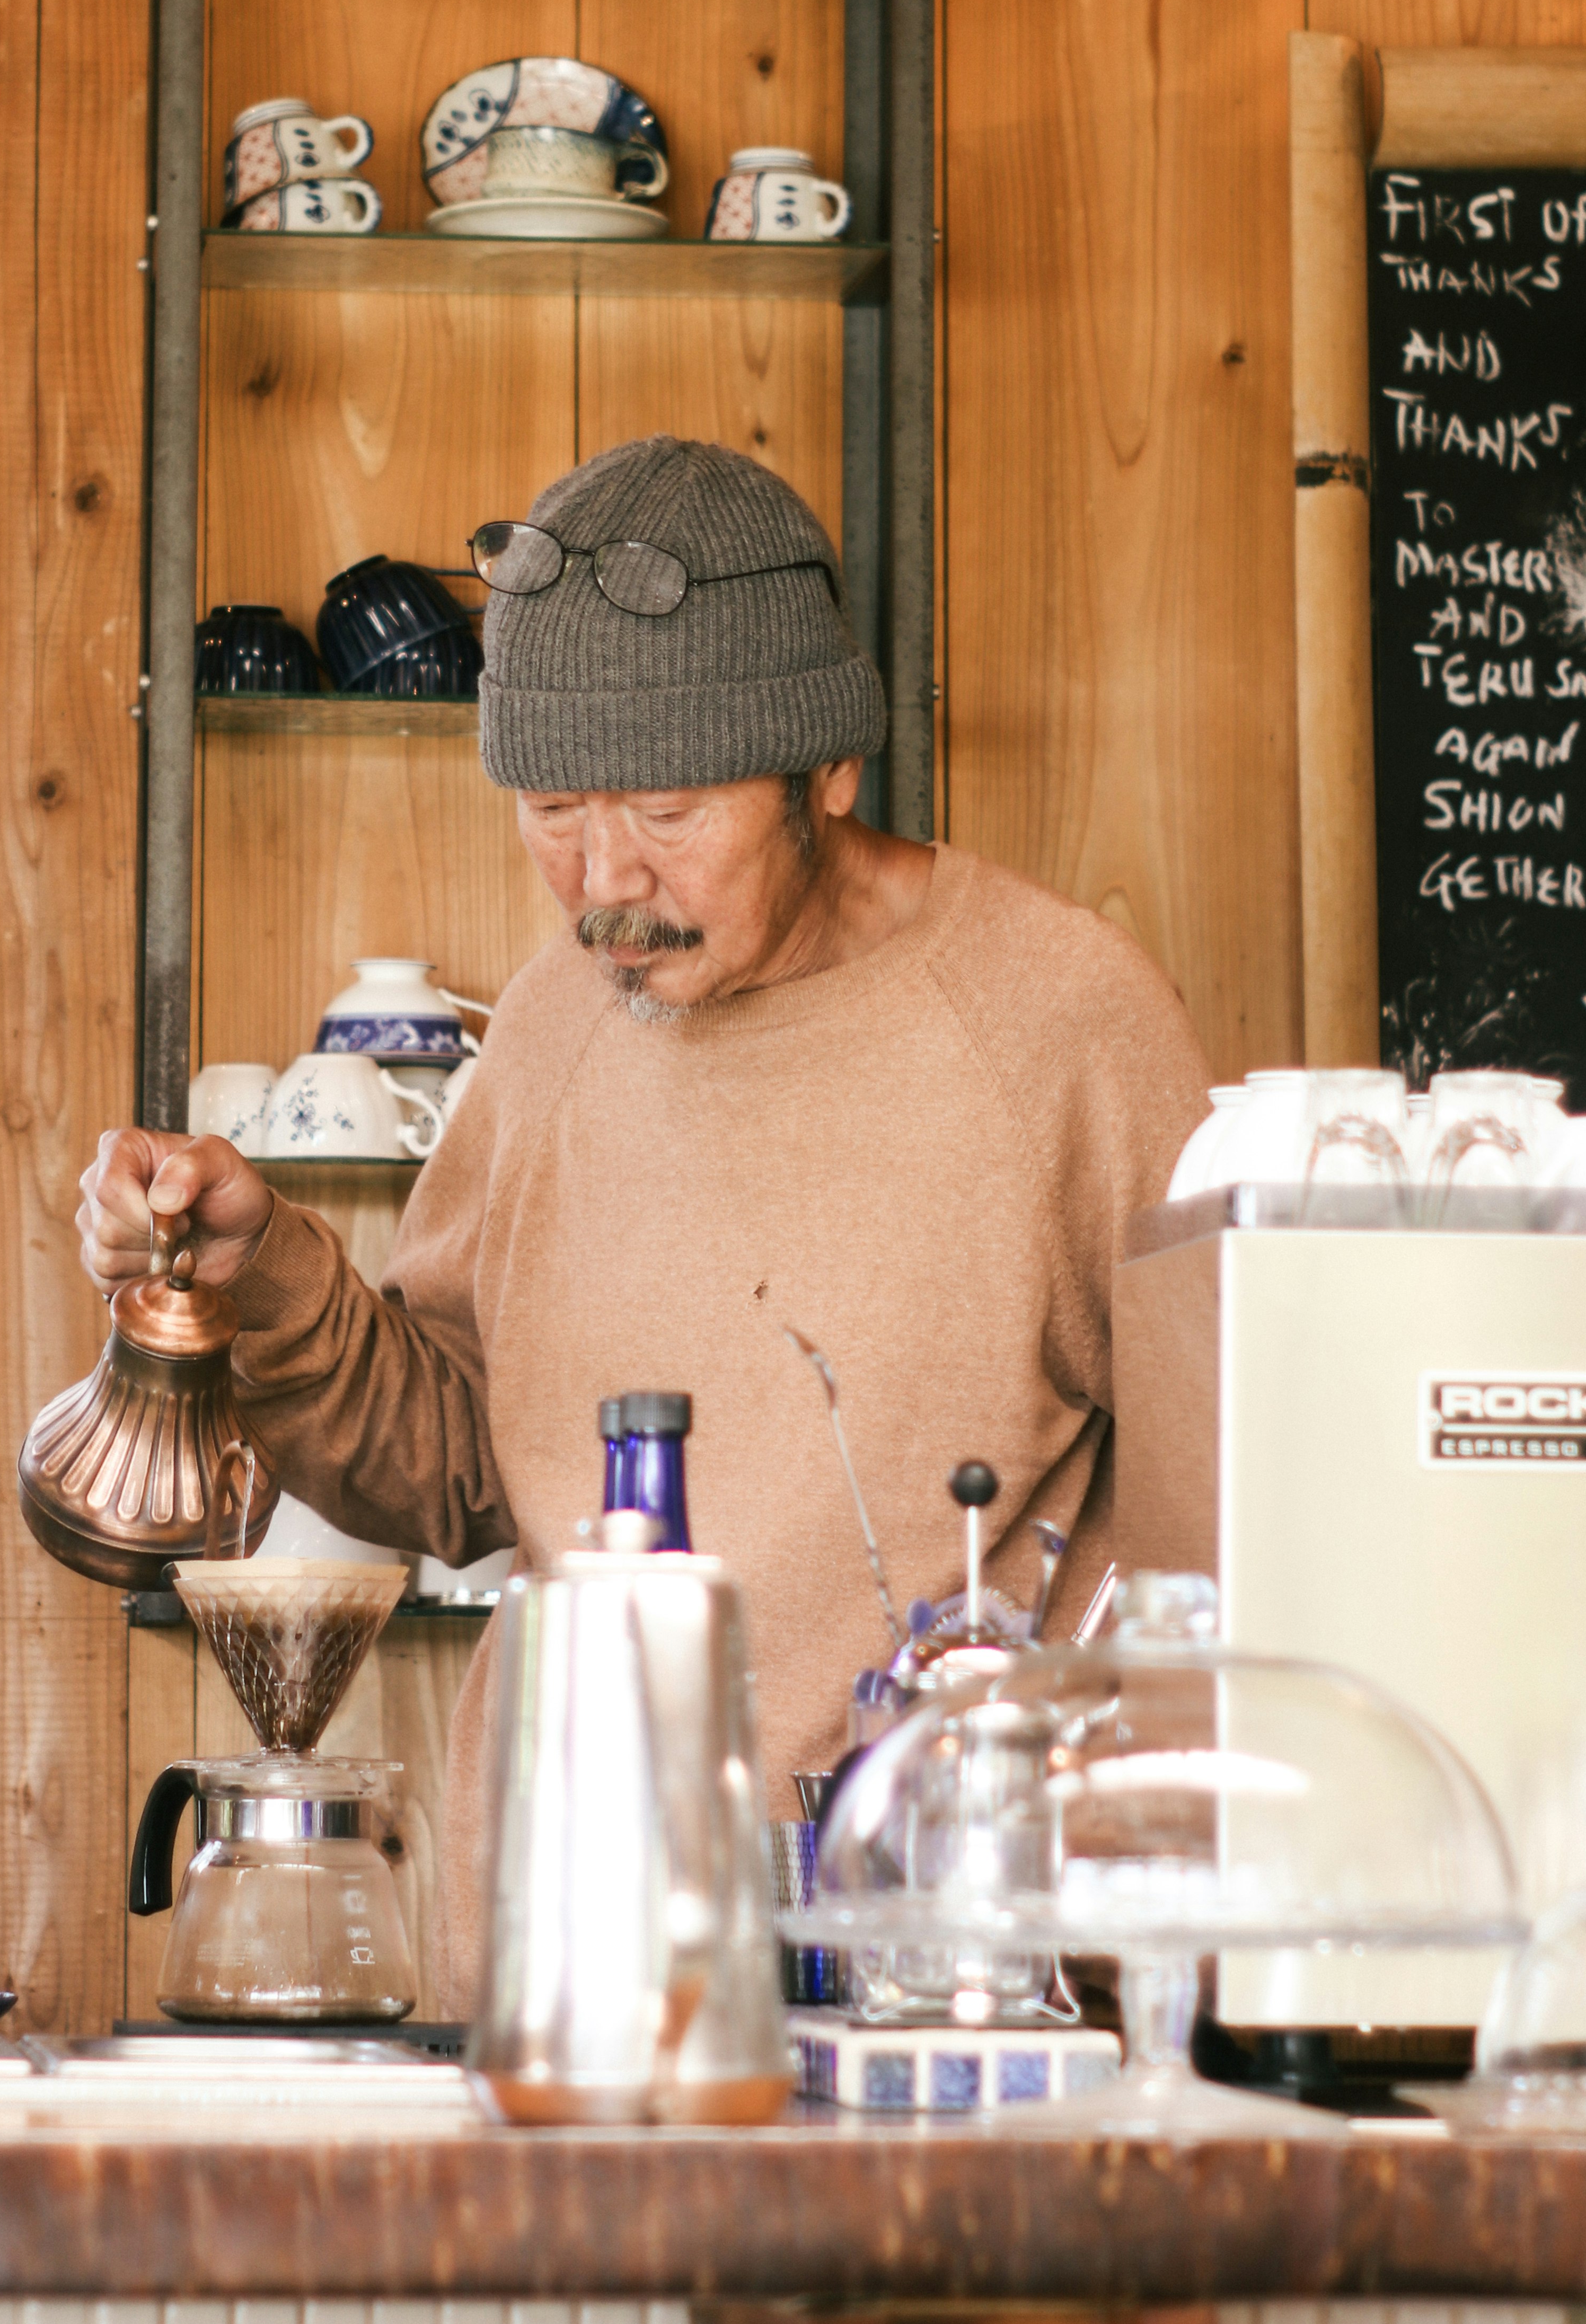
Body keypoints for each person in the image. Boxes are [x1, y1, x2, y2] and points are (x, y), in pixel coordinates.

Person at [79, 434, 1211, 2009]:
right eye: (552, 807)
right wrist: (266, 1273)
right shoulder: (556, 1019)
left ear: (828, 771)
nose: (605, 877)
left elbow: (1219, 1511)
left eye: (670, 809)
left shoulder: (1059, 1019)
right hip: (554, 1947)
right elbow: (462, 1469)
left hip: (918, 1963)